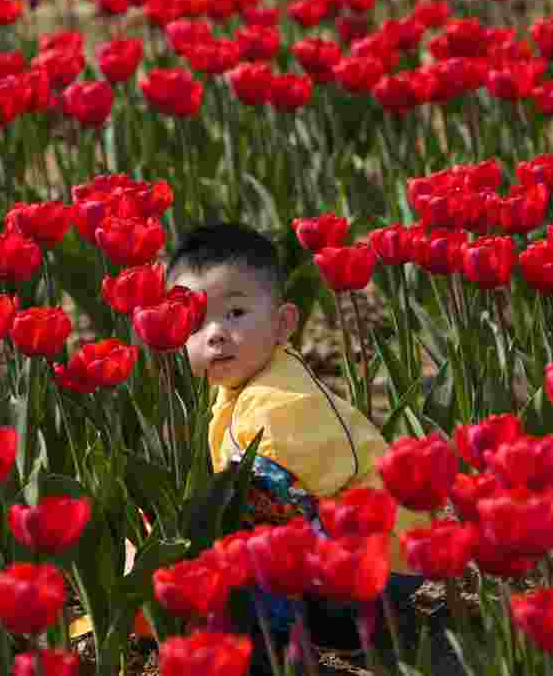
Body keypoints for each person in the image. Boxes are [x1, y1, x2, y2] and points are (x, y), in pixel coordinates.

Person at [166, 223, 430, 670]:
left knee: (230, 582)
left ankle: (281, 644)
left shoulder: (277, 405)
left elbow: (265, 512)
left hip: (373, 574)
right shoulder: (248, 383)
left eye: (235, 314)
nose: (215, 334)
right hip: (369, 562)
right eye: (197, 320)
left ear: (284, 324)